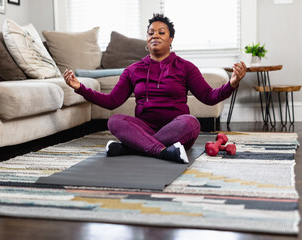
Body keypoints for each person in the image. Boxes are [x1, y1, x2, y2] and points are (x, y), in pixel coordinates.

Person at [63, 13, 246, 164]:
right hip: (144, 127)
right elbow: (112, 102)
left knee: (192, 123)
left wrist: (232, 83)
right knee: (114, 121)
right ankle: (164, 152)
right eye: (151, 32)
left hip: (177, 129)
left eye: (161, 32)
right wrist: (80, 87)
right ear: (146, 38)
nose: (155, 35)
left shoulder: (185, 67)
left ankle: (132, 146)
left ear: (171, 38)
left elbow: (208, 96)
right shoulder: (133, 70)